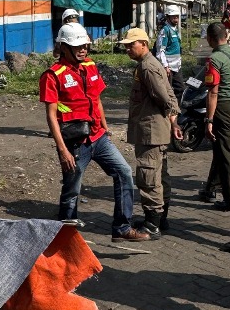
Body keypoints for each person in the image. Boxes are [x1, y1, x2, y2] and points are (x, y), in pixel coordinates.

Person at [40, 23, 149, 242]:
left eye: (85, 45)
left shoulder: (90, 66)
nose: (83, 50)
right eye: (77, 46)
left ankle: (122, 227)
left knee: (124, 173)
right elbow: (51, 115)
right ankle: (65, 238)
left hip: (98, 136)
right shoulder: (52, 76)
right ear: (63, 47)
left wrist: (106, 128)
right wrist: (62, 151)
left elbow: (97, 99)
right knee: (72, 190)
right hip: (74, 143)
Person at [121, 27, 183, 238]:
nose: (128, 49)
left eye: (131, 45)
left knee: (149, 175)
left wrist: (172, 116)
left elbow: (164, 98)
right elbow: (169, 94)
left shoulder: (147, 67)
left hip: (151, 130)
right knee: (159, 173)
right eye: (127, 46)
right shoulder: (148, 65)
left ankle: (152, 223)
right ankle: (159, 218)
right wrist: (173, 120)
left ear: (144, 45)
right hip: (153, 129)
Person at [202, 23, 230, 250]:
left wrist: (209, 120)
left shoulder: (214, 59)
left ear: (210, 38)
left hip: (223, 109)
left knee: (226, 156)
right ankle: (218, 190)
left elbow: (213, 91)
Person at [154, 4, 185, 99]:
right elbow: (160, 51)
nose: (176, 18)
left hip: (177, 66)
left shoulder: (175, 30)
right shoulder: (165, 31)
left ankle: (176, 111)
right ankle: (167, 111)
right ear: (168, 17)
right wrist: (165, 66)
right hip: (169, 68)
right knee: (166, 92)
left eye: (177, 16)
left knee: (180, 89)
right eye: (174, 16)